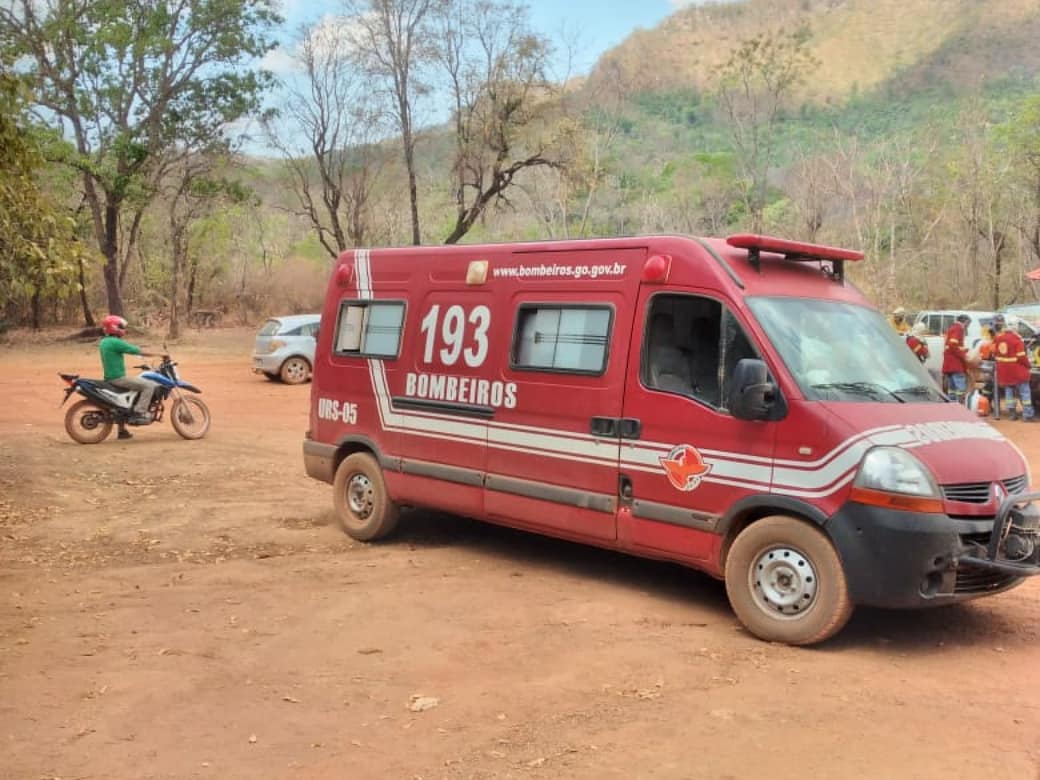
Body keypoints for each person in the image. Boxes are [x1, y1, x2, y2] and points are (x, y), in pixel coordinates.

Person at [99, 314, 164, 437]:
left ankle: (122, 431)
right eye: (121, 326)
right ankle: (140, 412)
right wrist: (160, 354)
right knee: (149, 386)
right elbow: (137, 350)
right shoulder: (115, 342)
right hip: (118, 378)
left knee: (122, 404)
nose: (123, 329)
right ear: (114, 328)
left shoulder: (104, 342)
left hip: (110, 377)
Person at [991, 313, 1035, 421]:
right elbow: (1021, 356)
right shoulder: (1016, 339)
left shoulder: (999, 338)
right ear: (1015, 326)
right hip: (1018, 371)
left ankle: (1012, 413)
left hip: (1004, 371)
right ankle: (1027, 415)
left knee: (1009, 391)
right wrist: (1029, 365)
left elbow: (995, 353)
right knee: (1025, 392)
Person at [942, 313, 970, 403]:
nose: (967, 326)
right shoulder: (959, 328)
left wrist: (963, 350)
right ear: (965, 322)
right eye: (968, 323)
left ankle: (952, 406)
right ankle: (960, 405)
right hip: (955, 363)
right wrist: (963, 355)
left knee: (952, 387)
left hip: (949, 363)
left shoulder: (952, 328)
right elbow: (953, 345)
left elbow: (952, 345)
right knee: (960, 386)